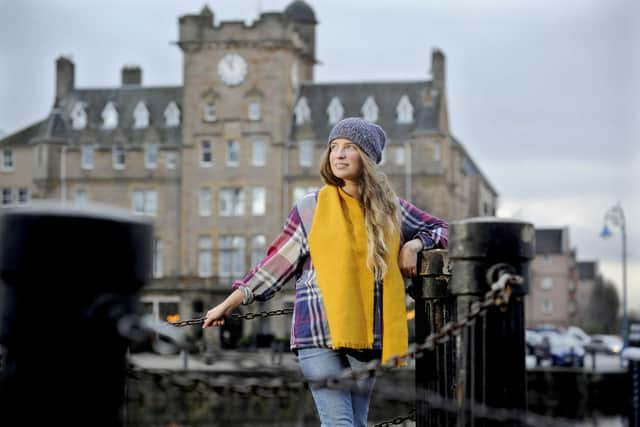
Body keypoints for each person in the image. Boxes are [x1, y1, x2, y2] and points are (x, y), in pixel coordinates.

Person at [203, 117, 448, 426]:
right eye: (334, 147)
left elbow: (441, 229)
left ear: (368, 158)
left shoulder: (391, 209)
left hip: (368, 334)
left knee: (355, 423)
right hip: (316, 334)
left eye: (349, 147)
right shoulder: (311, 207)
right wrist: (228, 304)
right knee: (340, 424)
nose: (339, 155)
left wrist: (413, 245)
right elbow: (276, 264)